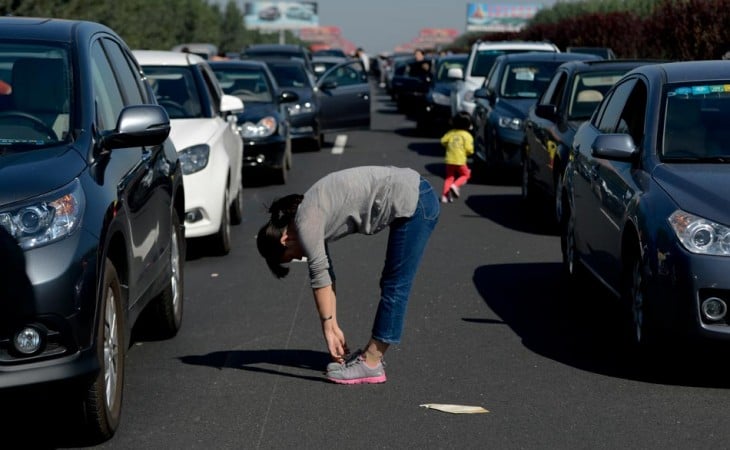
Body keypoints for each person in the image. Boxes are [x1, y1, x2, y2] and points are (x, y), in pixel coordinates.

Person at [256, 166, 439, 384]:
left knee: (395, 285)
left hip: (415, 202)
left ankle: (372, 363)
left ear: (284, 240)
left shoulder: (306, 221)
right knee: (392, 282)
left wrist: (327, 328)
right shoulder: (308, 214)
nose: (299, 258)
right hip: (416, 195)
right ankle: (371, 358)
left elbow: (319, 275)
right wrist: (333, 328)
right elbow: (327, 274)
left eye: (292, 256)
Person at [440, 112, 474, 203]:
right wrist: (469, 152)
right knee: (466, 175)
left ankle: (444, 196)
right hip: (460, 160)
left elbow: (443, 141)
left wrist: (450, 146)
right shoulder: (467, 135)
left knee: (449, 177)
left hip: (449, 159)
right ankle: (455, 186)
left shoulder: (451, 133)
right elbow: (469, 149)